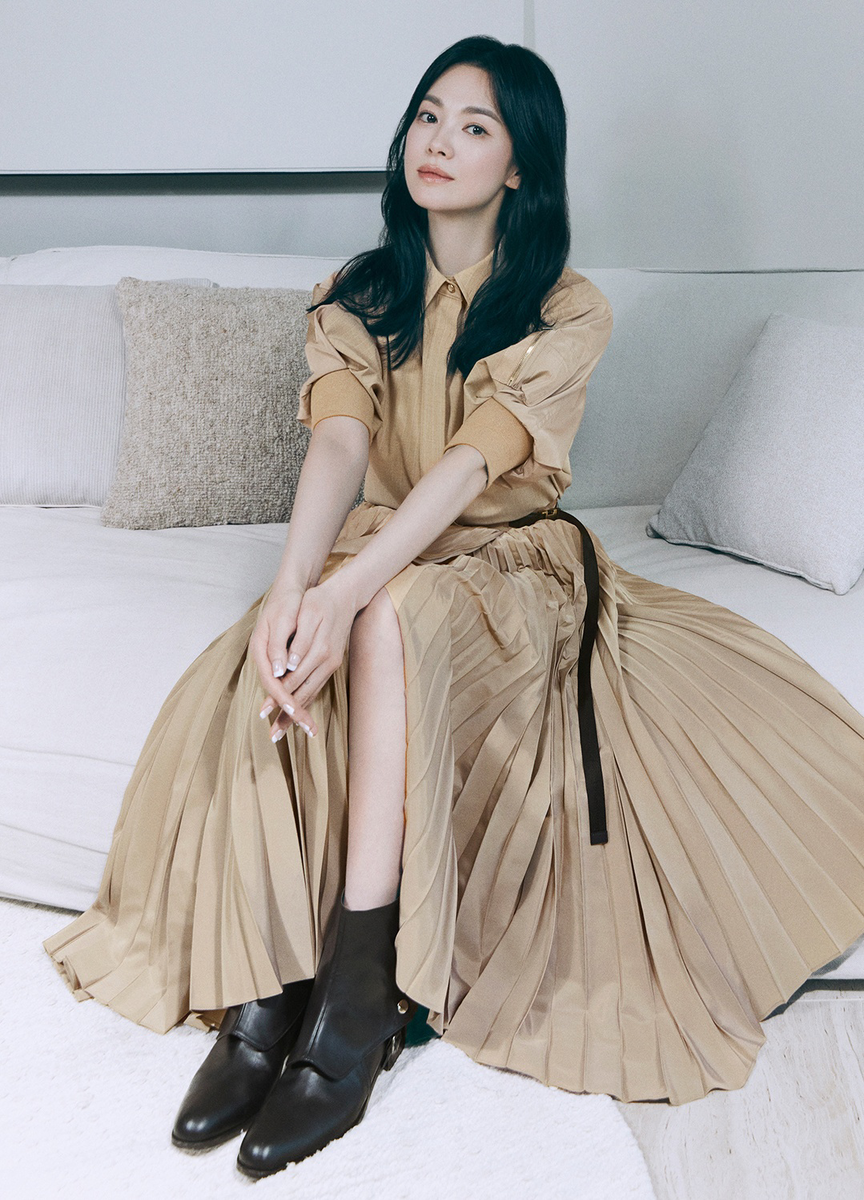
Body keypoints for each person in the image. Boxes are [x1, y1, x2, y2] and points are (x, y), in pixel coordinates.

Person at [45, 33, 864, 1182]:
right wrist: (298, 588)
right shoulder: (359, 293)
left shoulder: (566, 309)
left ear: (520, 165)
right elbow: (340, 445)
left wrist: (350, 593)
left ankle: (355, 1000)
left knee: (387, 619)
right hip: (381, 546)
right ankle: (269, 987)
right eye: (429, 115)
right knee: (290, 641)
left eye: (475, 126)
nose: (438, 140)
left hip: (513, 566)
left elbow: (475, 466)